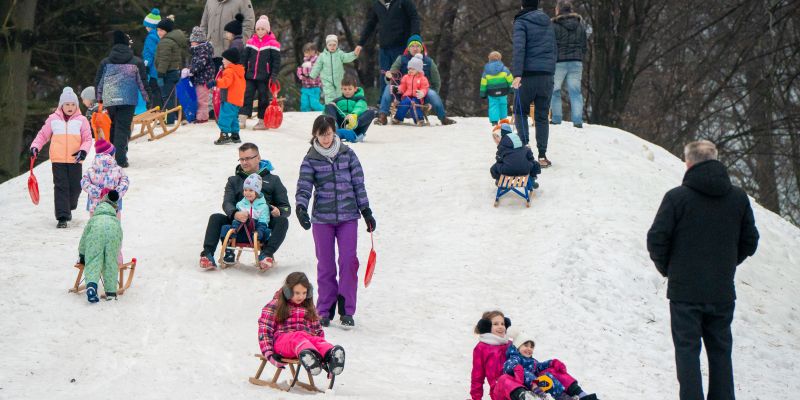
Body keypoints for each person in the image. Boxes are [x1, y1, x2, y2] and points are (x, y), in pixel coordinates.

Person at [647, 140, 759, 400]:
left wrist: (670, 270)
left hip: (684, 291)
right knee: (721, 352)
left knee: (687, 352)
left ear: (688, 164)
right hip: (721, 289)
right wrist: (727, 264)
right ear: (716, 159)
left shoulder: (676, 198)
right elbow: (750, 241)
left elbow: (656, 240)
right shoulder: (738, 198)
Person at [295, 116, 376, 328]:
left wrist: (366, 210)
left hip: (348, 216)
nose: (326, 138)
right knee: (326, 264)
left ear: (334, 132)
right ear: (315, 134)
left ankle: (347, 309)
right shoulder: (310, 159)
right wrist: (301, 207)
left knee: (348, 262)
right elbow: (304, 185)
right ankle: (324, 309)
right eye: (321, 135)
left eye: (329, 134)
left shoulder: (348, 154)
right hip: (323, 219)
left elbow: (358, 184)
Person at [200, 142, 290, 270]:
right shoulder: (234, 180)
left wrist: (279, 211)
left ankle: (266, 255)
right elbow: (227, 202)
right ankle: (207, 255)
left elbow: (286, 207)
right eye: (241, 159)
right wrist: (235, 213)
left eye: (247, 158)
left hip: (263, 223)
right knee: (215, 218)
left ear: (258, 158)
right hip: (239, 222)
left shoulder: (273, 180)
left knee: (282, 221)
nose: (244, 162)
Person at [257, 272, 346, 377]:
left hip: (304, 341)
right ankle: (309, 354)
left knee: (315, 340)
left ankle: (330, 356)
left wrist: (323, 361)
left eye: (304, 293)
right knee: (298, 336)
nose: (301, 296)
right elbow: (264, 331)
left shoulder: (308, 306)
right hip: (282, 343)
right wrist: (269, 354)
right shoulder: (275, 305)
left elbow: (317, 331)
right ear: (288, 291)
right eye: (297, 293)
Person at [30, 87, 93, 228]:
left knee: (76, 187)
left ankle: (69, 206)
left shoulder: (82, 120)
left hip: (75, 159)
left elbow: (88, 139)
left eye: (72, 104)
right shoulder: (53, 119)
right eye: (67, 104)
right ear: (61, 106)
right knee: (61, 186)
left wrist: (83, 151)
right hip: (58, 160)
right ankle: (62, 217)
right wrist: (35, 146)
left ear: (76, 105)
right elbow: (42, 135)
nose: (70, 107)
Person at [511, 0, 557, 168]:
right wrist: (550, 70)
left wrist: (517, 74)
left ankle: (525, 150)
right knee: (542, 116)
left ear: (523, 5)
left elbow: (519, 48)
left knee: (520, 111)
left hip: (527, 75)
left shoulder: (521, 21)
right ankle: (542, 156)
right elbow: (554, 48)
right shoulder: (547, 22)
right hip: (546, 75)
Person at [94, 31, 149, 168]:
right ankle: (120, 159)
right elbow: (142, 83)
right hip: (128, 100)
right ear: (127, 44)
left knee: (112, 127)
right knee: (123, 129)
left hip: (110, 99)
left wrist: (99, 99)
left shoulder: (105, 62)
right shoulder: (136, 62)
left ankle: (111, 156)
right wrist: (148, 98)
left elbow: (99, 82)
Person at [376, 34, 455, 126]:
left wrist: (429, 98)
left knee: (432, 93)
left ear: (421, 48)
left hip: (421, 93)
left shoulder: (429, 62)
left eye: (417, 46)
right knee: (388, 87)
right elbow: (391, 77)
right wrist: (388, 77)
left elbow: (436, 82)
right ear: (408, 48)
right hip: (403, 91)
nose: (415, 48)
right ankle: (382, 116)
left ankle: (443, 118)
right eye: (412, 46)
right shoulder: (401, 59)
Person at [501, 328, 598, 400]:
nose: (529, 349)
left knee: (547, 376)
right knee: (525, 372)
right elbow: (507, 367)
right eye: (526, 345)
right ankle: (539, 395)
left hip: (537, 384)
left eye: (531, 347)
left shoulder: (532, 361)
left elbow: (539, 366)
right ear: (518, 346)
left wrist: (552, 362)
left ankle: (562, 396)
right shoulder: (515, 357)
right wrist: (516, 368)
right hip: (523, 386)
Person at [355, 0, 421, 95]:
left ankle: (402, 100)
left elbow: (414, 18)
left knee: (400, 76)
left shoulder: (403, 2)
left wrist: (415, 39)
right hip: (384, 48)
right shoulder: (378, 4)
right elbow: (370, 24)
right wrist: (360, 43)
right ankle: (383, 101)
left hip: (401, 46)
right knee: (385, 77)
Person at [219, 173, 272, 270]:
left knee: (267, 232)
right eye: (245, 190)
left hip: (255, 234)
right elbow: (236, 219)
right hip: (239, 232)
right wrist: (234, 227)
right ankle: (229, 252)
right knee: (224, 228)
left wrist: (259, 231)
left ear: (257, 192)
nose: (247, 193)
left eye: (251, 190)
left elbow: (263, 221)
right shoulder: (240, 204)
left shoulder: (263, 207)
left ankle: (264, 256)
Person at [78, 190, 123, 303]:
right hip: (112, 234)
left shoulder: (94, 219)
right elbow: (120, 237)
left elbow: (84, 238)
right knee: (110, 262)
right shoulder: (115, 221)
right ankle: (111, 293)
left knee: (93, 260)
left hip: (96, 237)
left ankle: (92, 286)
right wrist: (117, 251)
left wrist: (82, 255)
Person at [239, 15, 281, 130]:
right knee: (247, 95)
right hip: (250, 75)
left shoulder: (273, 44)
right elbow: (244, 58)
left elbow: (276, 62)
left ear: (267, 30)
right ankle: (242, 118)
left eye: (263, 29)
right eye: (258, 29)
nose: (260, 31)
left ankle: (262, 121)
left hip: (264, 77)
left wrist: (273, 75)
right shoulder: (250, 42)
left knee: (263, 98)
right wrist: (242, 70)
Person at [550, 0, 588, 128]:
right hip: (576, 62)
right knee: (575, 92)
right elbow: (584, 45)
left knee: (554, 90)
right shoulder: (580, 25)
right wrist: (579, 55)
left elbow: (550, 45)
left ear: (559, 10)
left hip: (558, 63)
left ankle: (556, 119)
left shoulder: (554, 26)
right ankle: (577, 121)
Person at [470, 310, 512, 400]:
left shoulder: (511, 344)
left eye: (502, 324)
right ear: (487, 327)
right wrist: (476, 398)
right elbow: (477, 376)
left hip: (520, 384)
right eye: (496, 324)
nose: (500, 326)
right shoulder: (481, 348)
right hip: (499, 392)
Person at [80, 139, 129, 215]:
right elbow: (125, 181)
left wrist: (99, 192)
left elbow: (84, 183)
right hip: (114, 204)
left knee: (95, 221)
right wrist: (116, 193)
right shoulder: (118, 169)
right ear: (110, 155)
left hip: (95, 206)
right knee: (114, 219)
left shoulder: (91, 170)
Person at [208, 48, 246, 145]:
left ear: (230, 60)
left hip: (229, 98)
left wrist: (215, 82)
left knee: (224, 117)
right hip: (237, 99)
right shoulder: (239, 71)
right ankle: (235, 135)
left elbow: (225, 82)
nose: (222, 61)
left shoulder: (229, 71)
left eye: (224, 59)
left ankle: (224, 135)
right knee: (233, 117)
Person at [200, 0, 254, 66]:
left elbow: (248, 24)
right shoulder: (210, 1)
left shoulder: (243, 1)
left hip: (231, 56)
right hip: (210, 55)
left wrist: (239, 44)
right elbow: (203, 25)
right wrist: (203, 46)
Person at [324, 75, 376, 141]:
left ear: (355, 89)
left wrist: (353, 115)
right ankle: (333, 125)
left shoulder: (360, 98)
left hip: (355, 126)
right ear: (341, 89)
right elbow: (327, 112)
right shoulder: (338, 100)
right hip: (340, 125)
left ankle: (355, 125)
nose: (347, 91)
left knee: (371, 112)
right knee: (329, 106)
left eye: (350, 89)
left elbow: (360, 107)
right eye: (345, 89)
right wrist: (331, 106)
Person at [155, 17, 187, 125]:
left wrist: (160, 74)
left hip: (167, 73)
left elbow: (164, 59)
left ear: (167, 30)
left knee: (167, 97)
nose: (159, 32)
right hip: (174, 71)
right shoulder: (172, 40)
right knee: (172, 96)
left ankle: (168, 120)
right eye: (158, 30)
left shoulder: (166, 42)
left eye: (161, 30)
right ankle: (179, 117)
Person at [309, 35, 358, 104]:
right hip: (326, 79)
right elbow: (317, 66)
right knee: (329, 94)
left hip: (338, 78)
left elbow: (346, 57)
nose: (332, 47)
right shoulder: (322, 56)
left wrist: (354, 54)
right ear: (327, 46)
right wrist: (312, 75)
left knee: (339, 93)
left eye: (334, 45)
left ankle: (339, 106)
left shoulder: (340, 54)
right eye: (330, 45)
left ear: (337, 45)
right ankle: (330, 107)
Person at [490, 123, 540, 189]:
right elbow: (529, 155)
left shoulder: (502, 146)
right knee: (535, 163)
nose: (495, 140)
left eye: (496, 137)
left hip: (507, 171)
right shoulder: (520, 143)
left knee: (494, 168)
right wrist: (529, 161)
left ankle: (500, 181)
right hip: (524, 169)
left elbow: (499, 159)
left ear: (501, 136)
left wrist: (500, 160)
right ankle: (532, 180)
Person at [391, 54, 429, 126]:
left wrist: (422, 93)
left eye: (413, 69)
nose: (410, 70)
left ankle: (419, 119)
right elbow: (403, 86)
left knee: (414, 104)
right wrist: (399, 89)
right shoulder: (406, 77)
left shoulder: (422, 78)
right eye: (409, 68)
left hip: (417, 97)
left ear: (418, 69)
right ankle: (398, 118)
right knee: (404, 104)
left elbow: (425, 87)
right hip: (407, 96)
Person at [188, 26, 215, 124]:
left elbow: (200, 64)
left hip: (204, 79)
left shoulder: (203, 50)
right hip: (200, 78)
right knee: (200, 97)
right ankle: (199, 115)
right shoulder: (199, 50)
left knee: (202, 99)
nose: (191, 43)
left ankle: (202, 117)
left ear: (197, 41)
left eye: (192, 41)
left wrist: (191, 70)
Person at [481, 51, 514, 126]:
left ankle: (494, 121)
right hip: (503, 92)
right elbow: (510, 80)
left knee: (493, 106)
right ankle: (503, 120)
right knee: (503, 105)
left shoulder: (486, 71)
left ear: (489, 59)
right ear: (500, 59)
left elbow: (483, 83)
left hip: (491, 93)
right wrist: (512, 89)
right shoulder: (505, 70)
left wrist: (483, 93)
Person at [142, 8, 163, 110]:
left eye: (147, 25)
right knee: (160, 90)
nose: (145, 27)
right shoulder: (160, 35)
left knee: (153, 90)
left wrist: (145, 65)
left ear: (151, 26)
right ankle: (162, 110)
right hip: (161, 68)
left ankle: (156, 111)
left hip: (154, 68)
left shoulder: (150, 37)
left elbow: (150, 53)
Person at [296, 43, 324, 112]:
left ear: (313, 51)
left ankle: (326, 111)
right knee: (304, 104)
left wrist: (306, 71)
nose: (305, 54)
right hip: (305, 86)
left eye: (307, 52)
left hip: (314, 86)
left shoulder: (317, 60)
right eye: (305, 52)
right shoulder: (305, 61)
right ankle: (305, 116)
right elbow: (300, 71)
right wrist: (301, 75)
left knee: (314, 104)